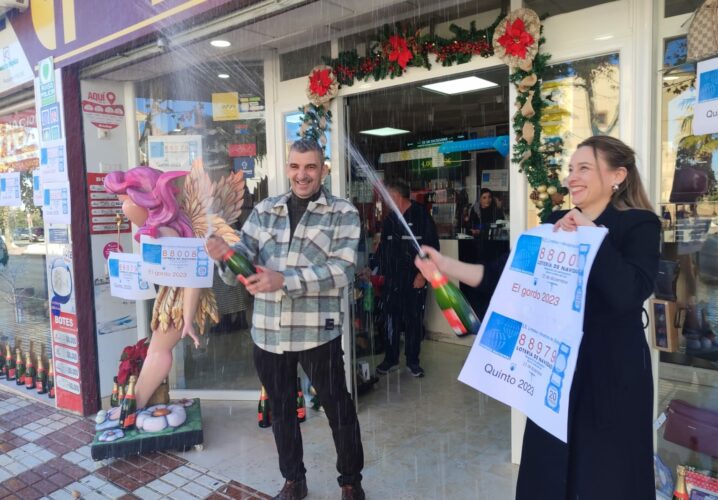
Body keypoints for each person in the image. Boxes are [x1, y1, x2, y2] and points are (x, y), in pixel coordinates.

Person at [414, 136, 660, 500]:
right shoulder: (556, 221)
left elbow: (628, 293)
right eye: (571, 169)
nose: (572, 177)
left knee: (606, 474)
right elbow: (504, 274)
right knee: (549, 470)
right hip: (555, 370)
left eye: (584, 168)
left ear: (617, 176)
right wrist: (445, 265)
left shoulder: (639, 224)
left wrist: (592, 235)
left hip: (612, 372)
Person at [206, 139, 365, 500]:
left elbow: (342, 270)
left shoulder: (343, 213)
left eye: (310, 167)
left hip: (316, 332)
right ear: (287, 167)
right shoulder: (265, 210)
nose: (302, 175)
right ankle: (294, 480)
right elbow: (239, 267)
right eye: (295, 166)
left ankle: (351, 481)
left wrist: (286, 281)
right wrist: (226, 256)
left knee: (338, 408)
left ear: (323, 169)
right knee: (281, 411)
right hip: (268, 332)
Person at [104, 167, 202, 408]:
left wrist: (188, 319)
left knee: (158, 350)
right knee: (156, 349)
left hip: (181, 298)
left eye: (126, 202)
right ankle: (136, 403)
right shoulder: (158, 230)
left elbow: (192, 276)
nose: (124, 209)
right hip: (172, 294)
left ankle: (134, 405)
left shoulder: (167, 232)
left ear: (145, 201)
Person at [370, 179, 439, 378]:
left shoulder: (421, 216)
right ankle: (390, 359)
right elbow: (383, 248)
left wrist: (422, 275)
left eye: (387, 197)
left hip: (413, 279)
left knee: (413, 320)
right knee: (390, 319)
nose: (384, 201)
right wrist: (373, 269)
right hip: (392, 280)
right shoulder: (391, 220)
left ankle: (412, 361)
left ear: (396, 197)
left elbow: (432, 249)